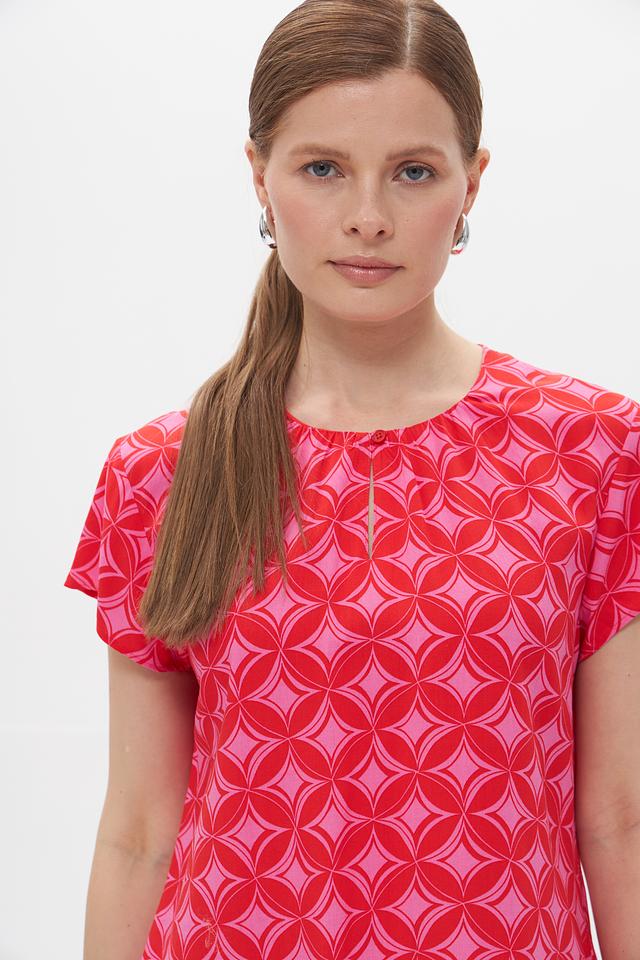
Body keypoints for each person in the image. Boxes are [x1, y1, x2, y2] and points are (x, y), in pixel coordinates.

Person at [63, 1, 640, 958]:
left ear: (471, 182)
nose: (368, 217)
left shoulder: (595, 452)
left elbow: (620, 818)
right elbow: (138, 833)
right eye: (323, 168)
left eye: (413, 171)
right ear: (260, 176)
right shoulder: (160, 474)